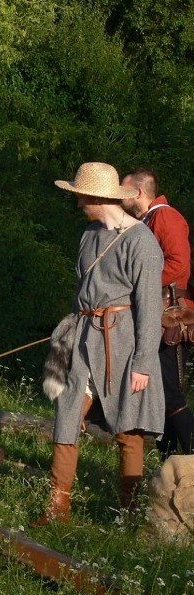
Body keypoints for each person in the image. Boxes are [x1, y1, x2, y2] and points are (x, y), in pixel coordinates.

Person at [34, 162, 165, 525]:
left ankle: (129, 512)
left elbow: (151, 309)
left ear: (97, 197)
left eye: (81, 197)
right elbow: (82, 290)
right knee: (66, 414)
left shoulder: (142, 242)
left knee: (129, 427)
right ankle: (57, 508)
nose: (77, 204)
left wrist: (142, 363)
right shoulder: (89, 235)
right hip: (83, 337)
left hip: (123, 342)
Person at [121, 168, 194, 457]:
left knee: (170, 391)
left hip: (170, 316)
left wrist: (140, 284)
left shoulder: (165, 216)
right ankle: (169, 461)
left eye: (125, 190)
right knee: (159, 392)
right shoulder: (147, 219)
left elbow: (179, 265)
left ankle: (190, 456)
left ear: (138, 192)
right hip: (153, 314)